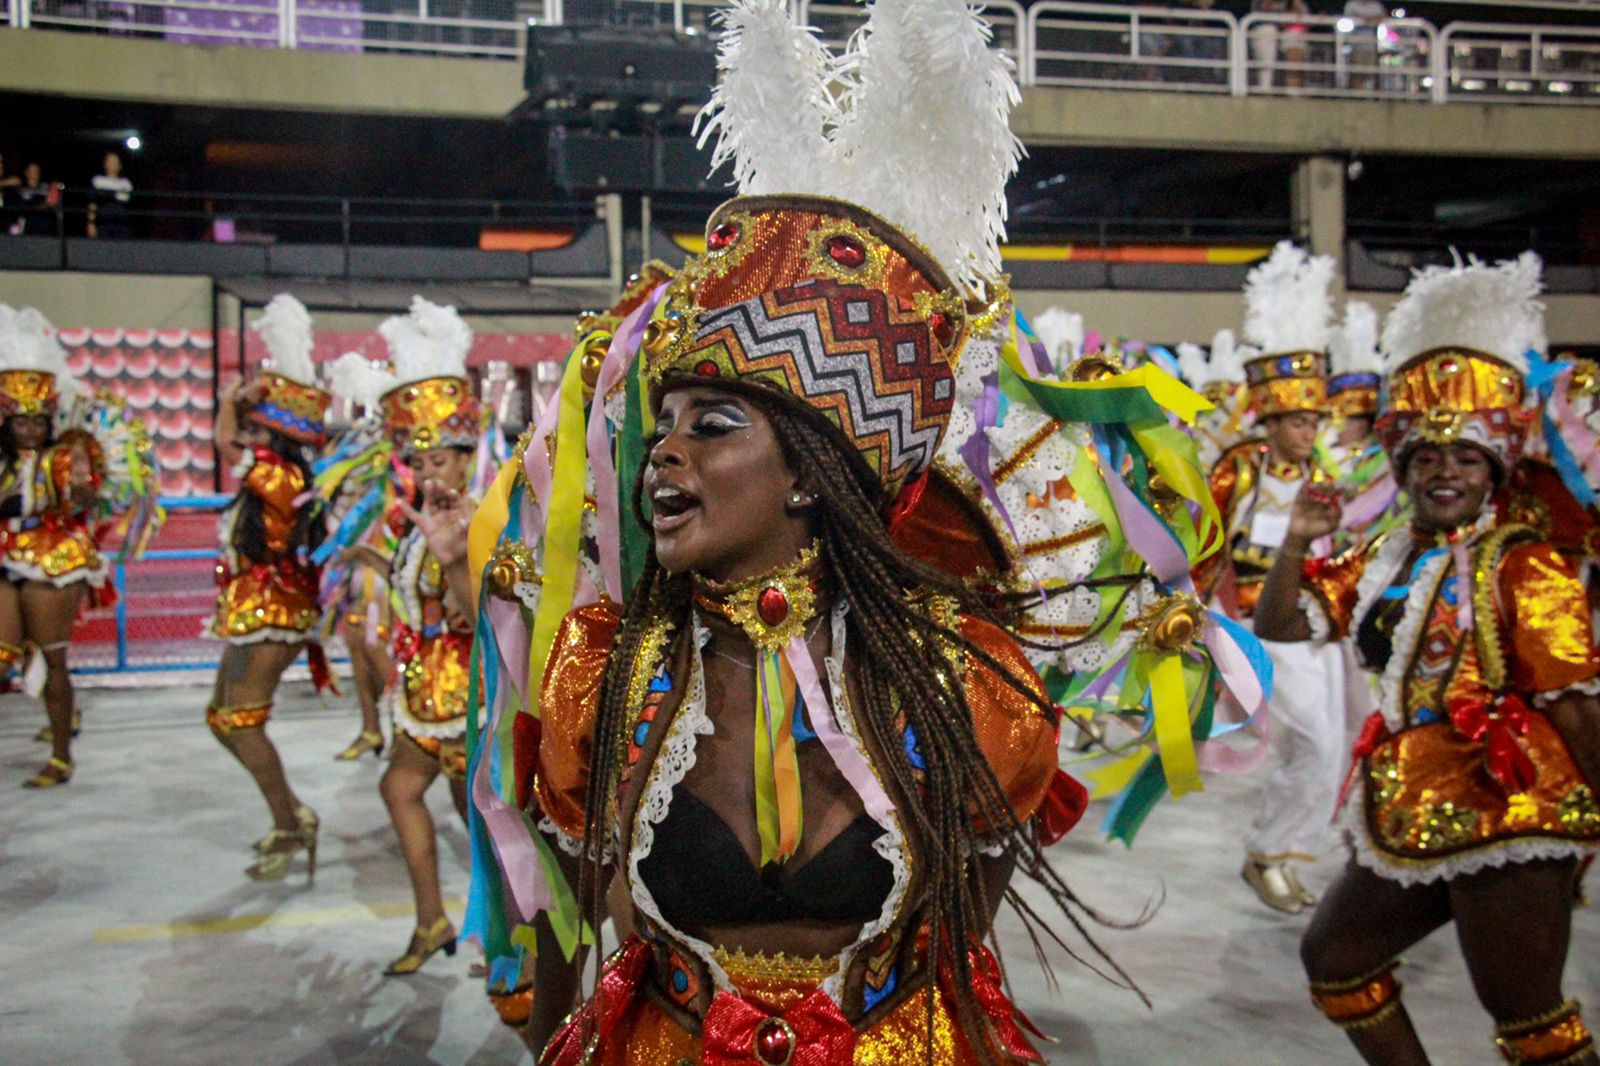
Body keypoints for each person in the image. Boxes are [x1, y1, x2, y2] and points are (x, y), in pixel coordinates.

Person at [460, 1, 1269, 1058]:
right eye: (661, 428)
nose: (663, 454)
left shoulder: (961, 680)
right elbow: (575, 941)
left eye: (710, 427)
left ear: (808, 476)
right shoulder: (600, 672)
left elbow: (963, 961)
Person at [1252, 252, 1600, 1066]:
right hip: (1410, 811)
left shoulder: (1527, 563)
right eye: (1429, 458)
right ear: (1404, 470)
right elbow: (1284, 625)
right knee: (1336, 964)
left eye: (1467, 458)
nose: (1446, 472)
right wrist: (1298, 544)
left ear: (1494, 472)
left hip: (1511, 812)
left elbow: (1578, 703)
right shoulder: (1385, 553)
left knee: (1529, 1023)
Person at [332, 298, 486, 976]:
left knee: (474, 816)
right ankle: (437, 922)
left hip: (469, 695)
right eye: (418, 463)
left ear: (467, 453)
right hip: (424, 688)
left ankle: (498, 935)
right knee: (411, 794)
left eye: (442, 460)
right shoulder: (421, 521)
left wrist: (453, 556)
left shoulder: (484, 518)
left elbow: (473, 612)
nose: (430, 475)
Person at [1197, 241, 1346, 914]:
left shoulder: (1324, 476)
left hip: (1306, 623)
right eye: (1299, 419)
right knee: (1313, 743)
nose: (1309, 429)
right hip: (1247, 623)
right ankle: (1268, 854)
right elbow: (1201, 535)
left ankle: (1279, 852)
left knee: (1328, 747)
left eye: (1316, 418)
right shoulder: (1242, 466)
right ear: (1274, 418)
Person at [205, 294, 335, 881]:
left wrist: (233, 400)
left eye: (259, 423)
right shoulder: (275, 472)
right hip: (256, 607)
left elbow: (224, 442)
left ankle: (290, 823)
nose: (248, 430)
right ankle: (290, 815)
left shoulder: (279, 476)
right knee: (220, 716)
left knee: (242, 721)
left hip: (276, 611)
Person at [0, 306, 111, 788]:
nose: (29, 430)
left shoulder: (65, 457)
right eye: (21, 422)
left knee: (53, 657)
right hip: (6, 555)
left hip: (54, 559)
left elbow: (87, 500)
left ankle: (62, 754)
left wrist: (85, 482)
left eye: (37, 422)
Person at [87, 151, 134, 239]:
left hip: (121, 223)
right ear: (105, 164)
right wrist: (91, 223)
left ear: (120, 165)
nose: (112, 164)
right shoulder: (98, 180)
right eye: (110, 161)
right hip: (103, 222)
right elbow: (92, 203)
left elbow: (126, 200)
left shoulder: (126, 183)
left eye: (115, 162)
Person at [13, 162, 61, 237]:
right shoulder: (20, 189)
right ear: (26, 173)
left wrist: (56, 187)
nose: (34, 173)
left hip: (46, 223)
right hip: (28, 222)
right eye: (31, 171)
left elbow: (52, 202)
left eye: (36, 171)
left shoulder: (45, 187)